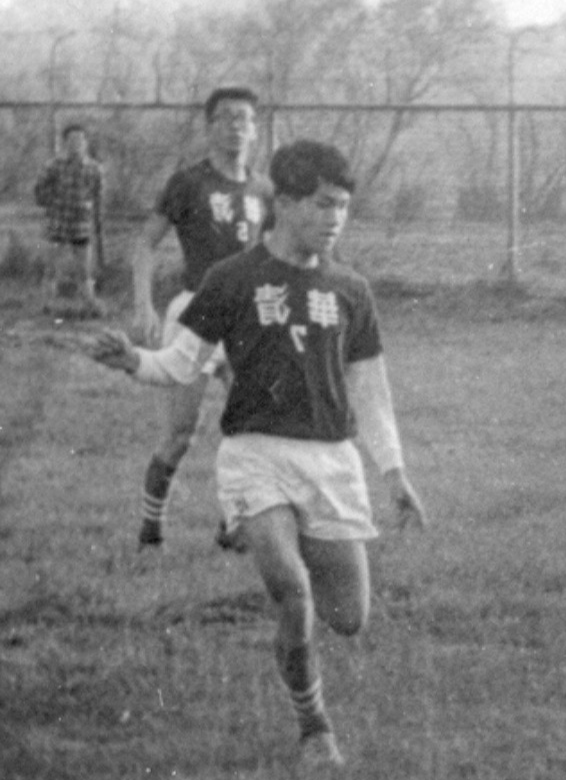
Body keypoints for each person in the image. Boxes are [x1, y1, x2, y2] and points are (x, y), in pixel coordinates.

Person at [89, 139, 427, 768]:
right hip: (255, 454)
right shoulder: (232, 279)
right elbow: (180, 364)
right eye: (322, 204)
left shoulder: (351, 289)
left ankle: (267, 539)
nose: (335, 218)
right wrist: (133, 360)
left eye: (343, 207)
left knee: (348, 617)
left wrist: (395, 472)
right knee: (293, 592)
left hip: (330, 461)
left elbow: (370, 389)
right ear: (286, 203)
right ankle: (314, 728)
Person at [130, 85, 274, 549]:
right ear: (210, 127)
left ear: (255, 129)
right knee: (180, 433)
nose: (236, 126)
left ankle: (232, 525)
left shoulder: (263, 189)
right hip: (195, 312)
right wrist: (144, 304)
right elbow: (146, 243)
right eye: (226, 117)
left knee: (252, 426)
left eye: (244, 118)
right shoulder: (189, 183)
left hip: (246, 319)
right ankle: (151, 529)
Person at [34, 122, 105, 317]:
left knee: (84, 271)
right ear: (65, 143)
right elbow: (39, 190)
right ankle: (46, 305)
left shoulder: (94, 169)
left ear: (86, 142)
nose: (76, 144)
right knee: (51, 269)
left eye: (80, 140)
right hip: (57, 224)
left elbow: (98, 196)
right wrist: (52, 204)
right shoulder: (53, 166)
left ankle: (89, 306)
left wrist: (94, 217)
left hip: (81, 226)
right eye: (72, 140)